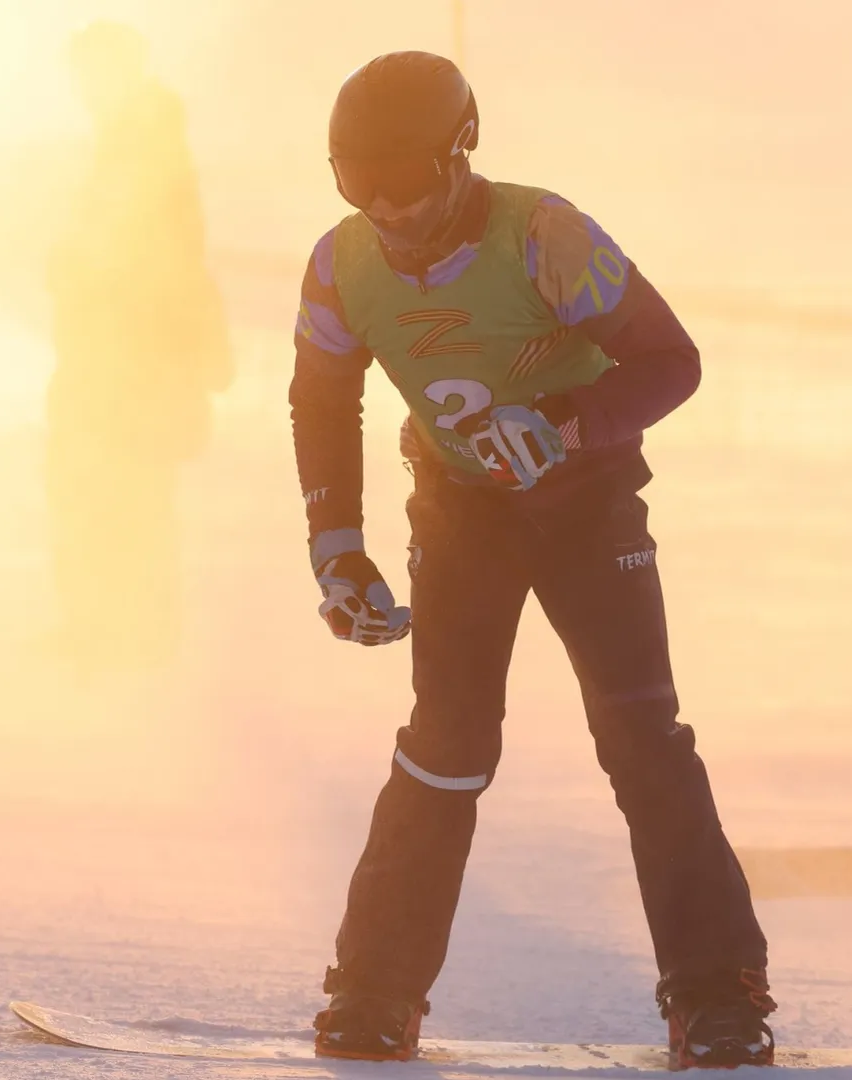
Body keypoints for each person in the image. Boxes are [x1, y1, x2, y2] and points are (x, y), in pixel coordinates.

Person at [289, 51, 774, 1068]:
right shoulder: (341, 265)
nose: (386, 206)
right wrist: (337, 547)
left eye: (408, 178)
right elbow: (325, 399)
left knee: (642, 739)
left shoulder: (544, 236)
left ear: (462, 155)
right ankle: (375, 992)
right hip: (463, 512)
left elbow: (671, 360)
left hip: (586, 508)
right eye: (354, 180)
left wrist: (567, 425)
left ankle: (718, 994)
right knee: (446, 745)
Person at [44, 20, 232, 669]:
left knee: (116, 498)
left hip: (129, 361)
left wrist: (70, 266)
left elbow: (144, 250)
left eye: (91, 73)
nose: (83, 88)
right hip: (123, 356)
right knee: (117, 498)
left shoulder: (142, 141)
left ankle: (120, 645)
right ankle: (119, 640)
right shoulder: (136, 140)